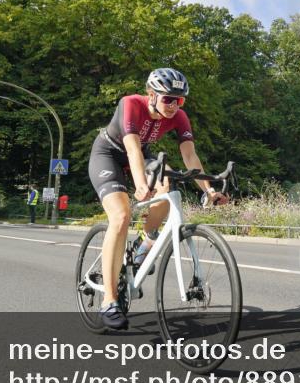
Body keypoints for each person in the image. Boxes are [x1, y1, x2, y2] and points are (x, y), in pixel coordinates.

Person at [87, 68, 229, 329]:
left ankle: (146, 240)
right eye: (167, 99)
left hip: (142, 155)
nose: (174, 105)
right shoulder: (130, 104)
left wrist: (208, 191)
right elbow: (131, 147)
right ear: (151, 95)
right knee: (121, 216)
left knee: (170, 182)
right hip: (109, 154)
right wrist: (140, 185)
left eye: (179, 100)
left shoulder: (180, 117)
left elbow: (190, 156)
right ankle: (109, 300)